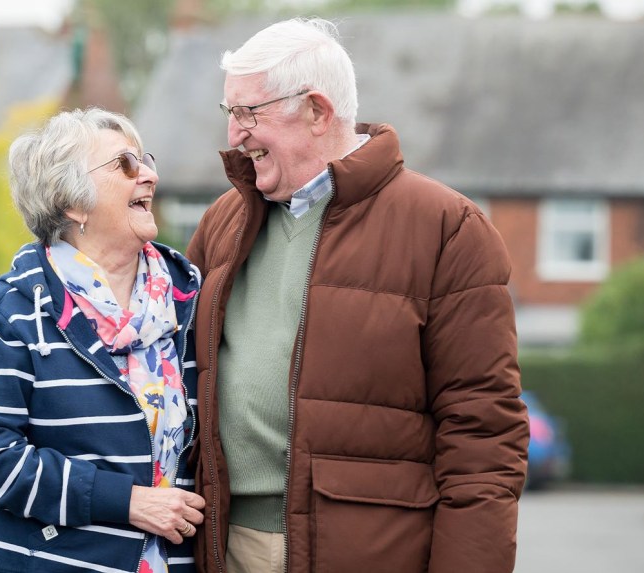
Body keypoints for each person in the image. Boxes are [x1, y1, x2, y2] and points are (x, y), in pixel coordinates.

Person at [185, 18, 529, 573]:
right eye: (230, 114)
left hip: (369, 553)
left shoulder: (447, 228)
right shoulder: (222, 223)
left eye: (251, 113)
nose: (235, 135)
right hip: (223, 548)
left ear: (317, 111)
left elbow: (484, 437)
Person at [0, 108, 205, 573]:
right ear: (73, 203)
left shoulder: (189, 302)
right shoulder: (14, 309)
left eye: (145, 159)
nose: (149, 175)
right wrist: (124, 501)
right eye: (124, 164)